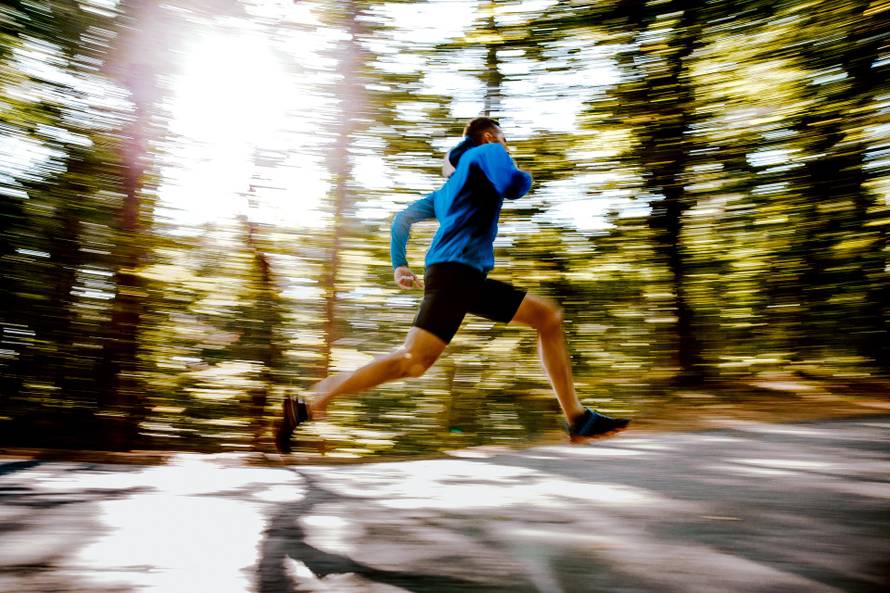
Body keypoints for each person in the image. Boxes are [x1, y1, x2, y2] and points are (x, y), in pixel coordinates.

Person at [276, 117, 629, 453]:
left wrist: (400, 265)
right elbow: (512, 184)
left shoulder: (446, 191)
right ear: (490, 136)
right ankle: (313, 401)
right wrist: (525, 176)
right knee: (410, 360)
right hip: (457, 276)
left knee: (541, 319)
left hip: (456, 277)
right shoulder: (487, 151)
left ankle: (577, 419)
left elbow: (402, 220)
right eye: (505, 140)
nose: (507, 147)